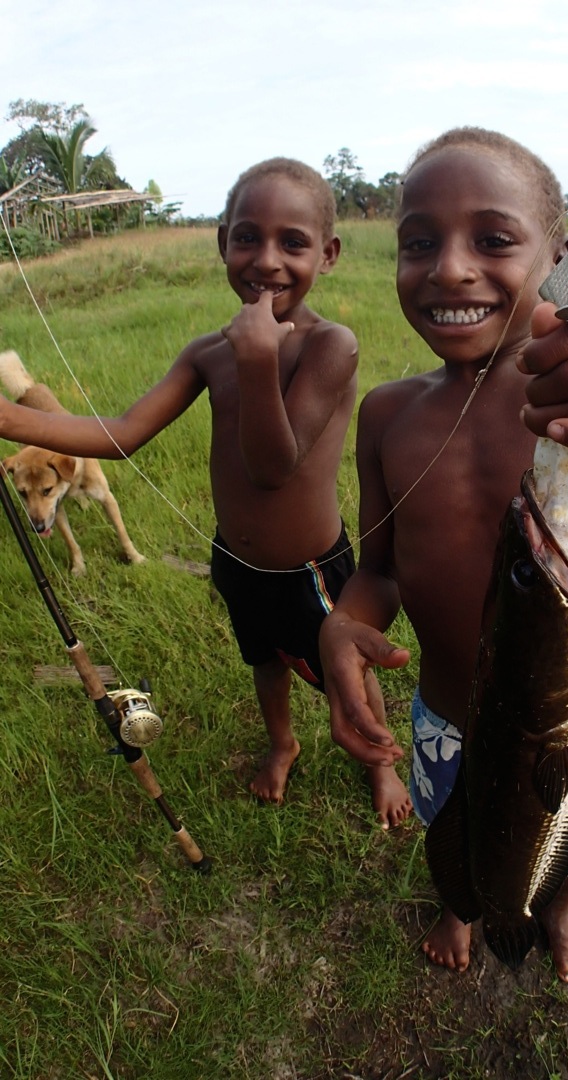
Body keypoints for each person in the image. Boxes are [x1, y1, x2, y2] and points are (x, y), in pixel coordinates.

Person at [319, 128, 568, 978]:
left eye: (493, 238)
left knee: (567, 834)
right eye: (419, 242)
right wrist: (342, 627)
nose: (448, 267)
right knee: (460, 830)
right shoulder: (387, 416)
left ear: (557, 254)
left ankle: (561, 909)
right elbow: (380, 571)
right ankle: (460, 908)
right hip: (445, 717)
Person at [0, 157, 412, 829]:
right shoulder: (205, 352)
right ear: (223, 242)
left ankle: (381, 760)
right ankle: (282, 742)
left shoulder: (330, 346)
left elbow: (275, 465)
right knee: (263, 659)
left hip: (310, 567)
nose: (267, 259)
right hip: (237, 560)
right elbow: (125, 432)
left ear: (328, 254)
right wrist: (10, 419)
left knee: (349, 669)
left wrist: (256, 359)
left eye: (294, 242)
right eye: (247, 237)